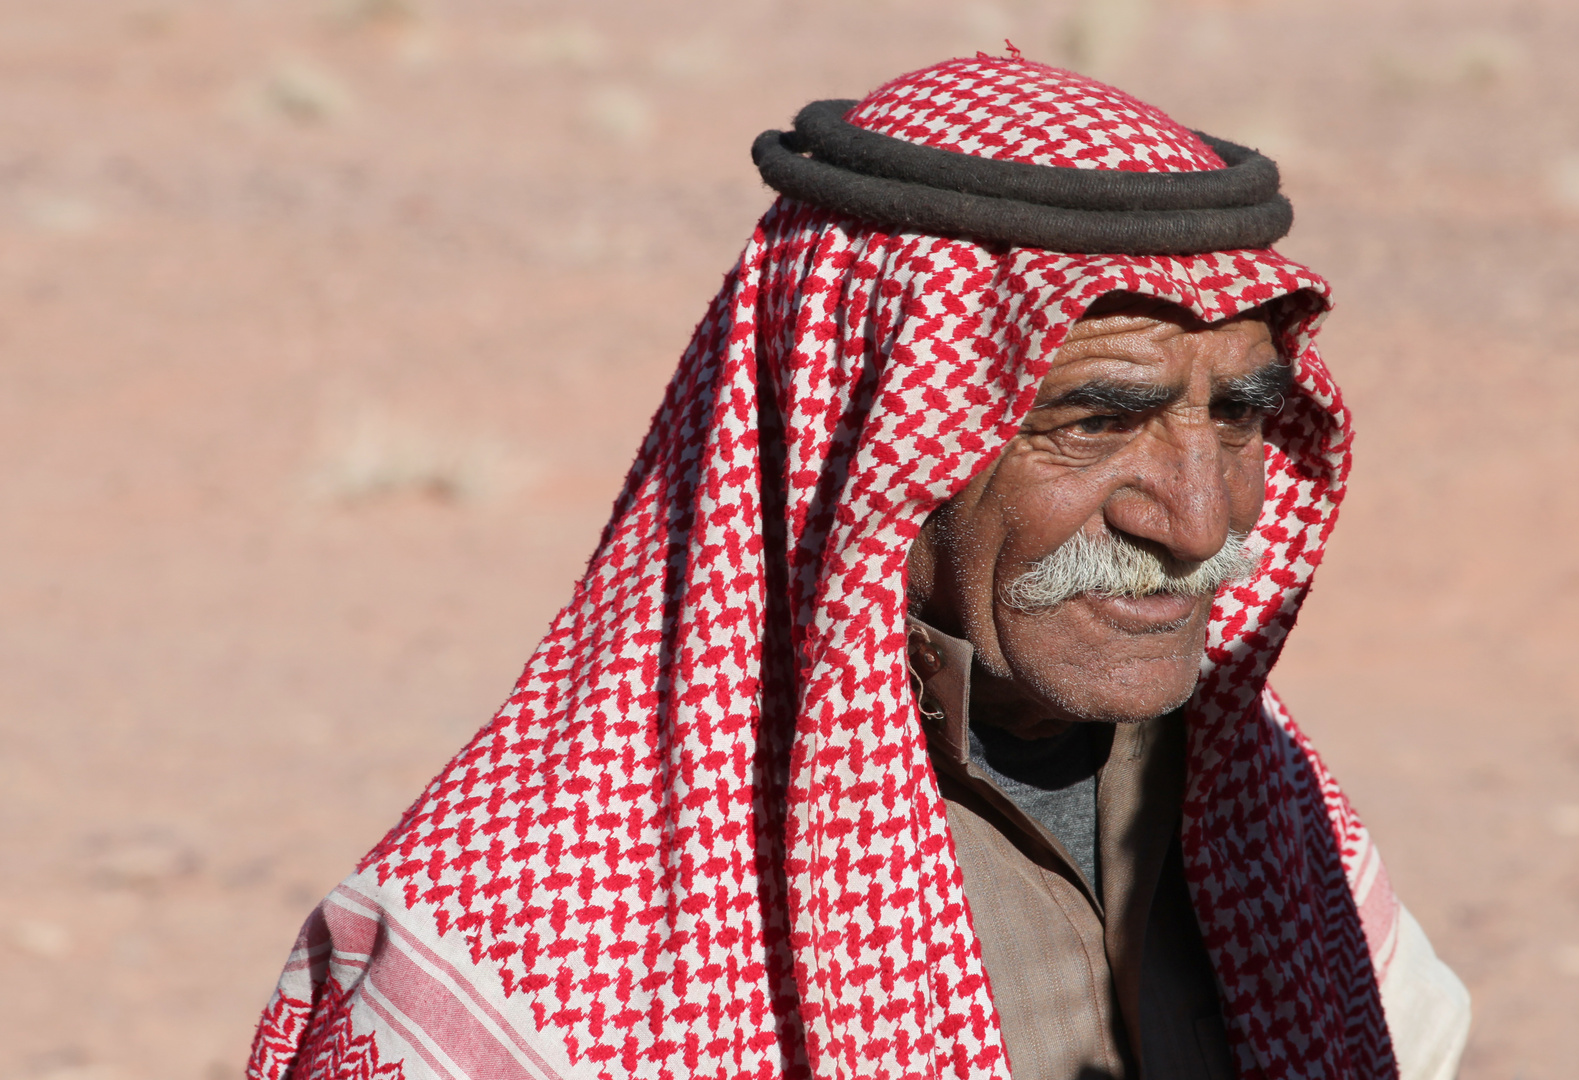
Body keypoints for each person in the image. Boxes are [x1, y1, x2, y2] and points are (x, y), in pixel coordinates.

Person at [247, 55, 1470, 1080]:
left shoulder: (1271, 828)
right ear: (863, 435)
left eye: (1242, 416)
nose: (1202, 524)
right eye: (1095, 423)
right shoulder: (529, 951)